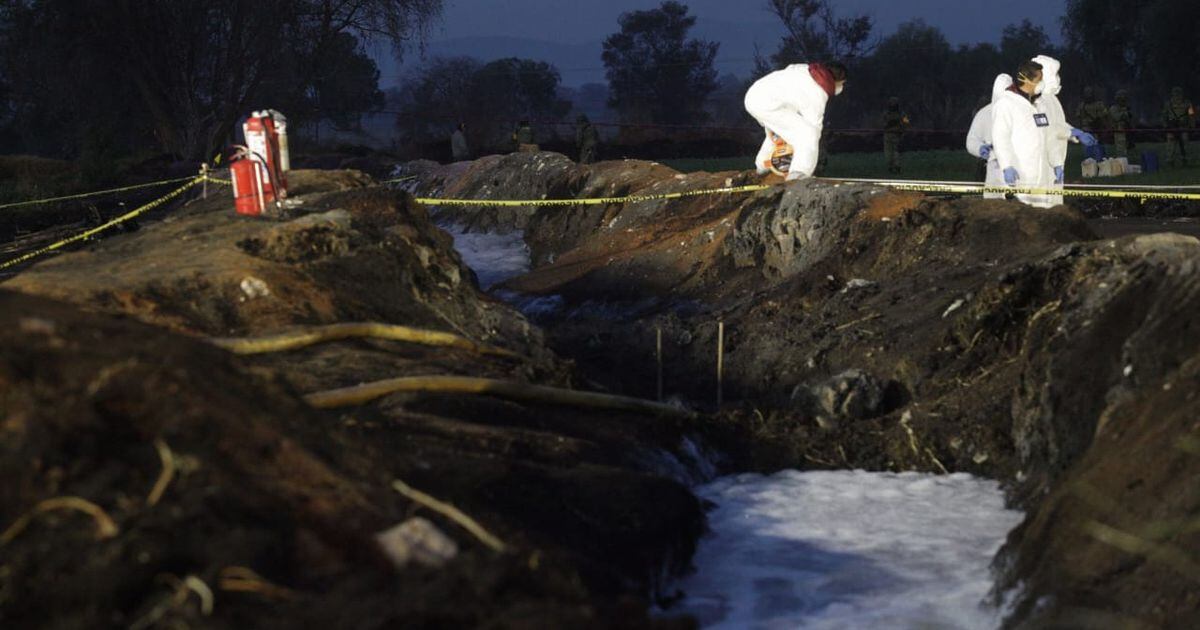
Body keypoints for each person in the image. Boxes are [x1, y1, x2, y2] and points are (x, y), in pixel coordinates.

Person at [744, 60, 848, 180]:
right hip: (770, 105)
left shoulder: (805, 69)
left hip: (755, 95)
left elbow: (790, 68)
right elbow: (814, 125)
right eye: (842, 84)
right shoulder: (818, 92)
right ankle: (798, 174)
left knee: (779, 133)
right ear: (837, 81)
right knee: (808, 133)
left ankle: (763, 168)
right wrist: (813, 149)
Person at [1032, 54, 1097, 206]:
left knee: (1055, 199)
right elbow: (1047, 130)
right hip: (1044, 160)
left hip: (1055, 158)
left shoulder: (1052, 100)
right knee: (1042, 202)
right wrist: (1073, 133)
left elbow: (1060, 124)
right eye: (1056, 74)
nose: (1058, 78)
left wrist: (1075, 132)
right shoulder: (1038, 102)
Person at [991, 60, 1054, 207]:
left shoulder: (1039, 103)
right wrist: (1006, 166)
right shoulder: (1006, 104)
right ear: (1028, 81)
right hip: (1019, 174)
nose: (1042, 83)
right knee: (1019, 220)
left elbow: (1047, 130)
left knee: (1042, 220)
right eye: (1040, 79)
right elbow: (1000, 138)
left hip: (1042, 174)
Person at [966, 75, 1014, 199]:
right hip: (993, 167)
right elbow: (972, 139)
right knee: (993, 206)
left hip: (1018, 167)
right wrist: (979, 148)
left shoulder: (1020, 112)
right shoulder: (984, 114)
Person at [1163, 87, 1196, 168]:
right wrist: (1166, 126)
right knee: (1171, 146)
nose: (1177, 96)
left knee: (1182, 145)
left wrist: (1192, 126)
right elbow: (1164, 116)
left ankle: (1183, 161)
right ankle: (1171, 162)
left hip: (1182, 127)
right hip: (1173, 127)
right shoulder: (1169, 104)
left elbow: (1191, 115)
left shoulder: (1186, 103)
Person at [882, 97, 910, 174]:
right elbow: (882, 124)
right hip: (889, 135)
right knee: (890, 153)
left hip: (897, 135)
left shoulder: (901, 114)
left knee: (896, 152)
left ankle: (896, 167)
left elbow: (906, 123)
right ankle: (891, 167)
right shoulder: (887, 114)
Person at [1109, 90, 1134, 158]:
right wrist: (1125, 113)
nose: (1123, 101)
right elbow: (1117, 117)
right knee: (1121, 149)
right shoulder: (1113, 108)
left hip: (1127, 130)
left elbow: (1129, 119)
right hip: (1119, 130)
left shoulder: (1125, 108)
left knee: (1127, 147)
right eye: (1122, 100)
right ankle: (1121, 161)